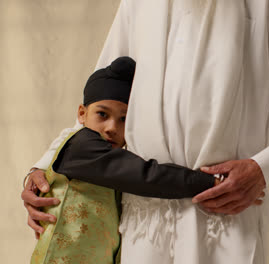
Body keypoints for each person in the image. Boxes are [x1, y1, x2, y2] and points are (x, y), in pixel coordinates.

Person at [23, 1, 269, 263]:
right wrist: (47, 167)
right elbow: (101, 97)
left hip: (224, 216)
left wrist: (265, 165)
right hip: (144, 226)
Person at [29, 56, 234, 263]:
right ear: (82, 114)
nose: (112, 128)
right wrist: (209, 181)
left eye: (124, 119)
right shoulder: (81, 146)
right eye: (102, 114)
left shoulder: (108, 154)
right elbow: (147, 176)